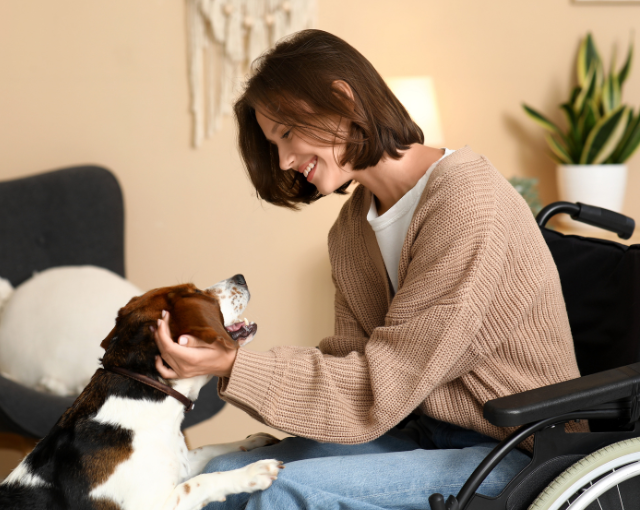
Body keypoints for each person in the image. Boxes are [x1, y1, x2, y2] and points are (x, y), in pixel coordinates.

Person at [153, 29, 583, 509]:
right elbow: (349, 368)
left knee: (281, 494)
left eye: (288, 134)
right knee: (226, 475)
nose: (285, 160)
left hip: (518, 449)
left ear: (341, 98)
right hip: (419, 429)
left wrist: (235, 364)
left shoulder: (466, 201)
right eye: (274, 144)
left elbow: (383, 382)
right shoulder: (352, 229)